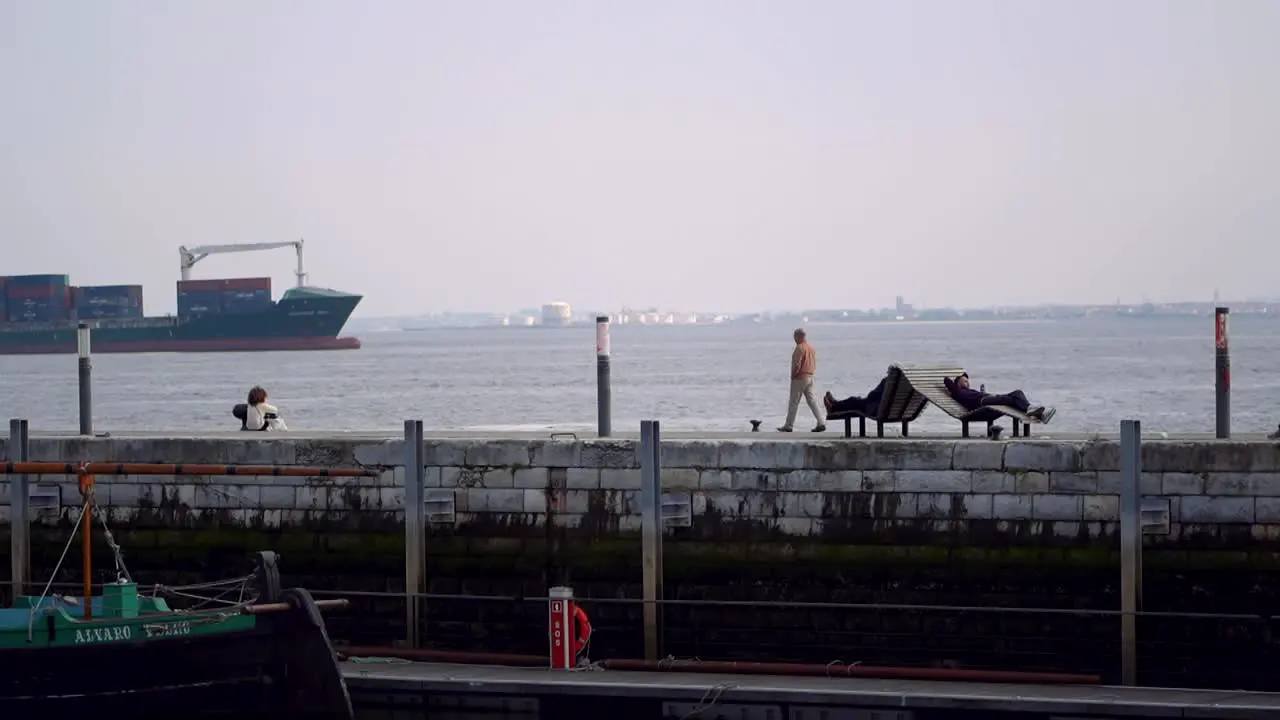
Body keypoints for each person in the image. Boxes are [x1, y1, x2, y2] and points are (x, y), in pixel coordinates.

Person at [944, 373, 1056, 423]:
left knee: (1014, 397)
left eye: (967, 381)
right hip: (983, 402)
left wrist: (984, 392)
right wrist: (954, 386)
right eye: (964, 380)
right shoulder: (957, 391)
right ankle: (1031, 409)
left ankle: (1037, 413)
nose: (967, 382)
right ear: (957, 383)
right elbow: (946, 380)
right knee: (1016, 394)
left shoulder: (968, 391)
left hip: (987, 399)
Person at [778, 328, 825, 432]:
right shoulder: (811, 348)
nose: (794, 339)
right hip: (810, 377)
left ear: (799, 337)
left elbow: (797, 364)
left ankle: (789, 425)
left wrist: (793, 375)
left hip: (799, 378)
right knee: (812, 401)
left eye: (795, 336)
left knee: (793, 402)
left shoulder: (799, 348)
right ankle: (821, 422)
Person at [823, 373, 890, 416]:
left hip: (874, 409)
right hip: (885, 410)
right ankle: (835, 404)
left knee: (853, 400)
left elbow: (872, 396)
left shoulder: (886, 381)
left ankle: (833, 408)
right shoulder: (897, 385)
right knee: (856, 400)